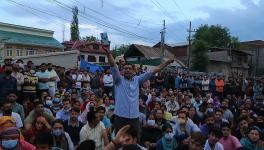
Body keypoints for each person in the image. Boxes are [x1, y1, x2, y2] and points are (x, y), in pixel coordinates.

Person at [103, 44, 174, 137]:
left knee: (135, 139)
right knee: (119, 140)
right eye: (125, 68)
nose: (127, 70)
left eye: (129, 68)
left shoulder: (137, 80)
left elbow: (154, 70)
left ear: (133, 71)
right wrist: (108, 53)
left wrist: (167, 62)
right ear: (122, 71)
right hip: (120, 116)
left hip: (134, 117)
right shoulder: (118, 80)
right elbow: (113, 65)